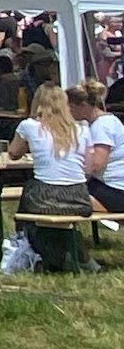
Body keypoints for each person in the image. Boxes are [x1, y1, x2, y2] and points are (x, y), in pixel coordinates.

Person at [11, 82, 93, 270]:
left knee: (27, 204)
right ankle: (74, 258)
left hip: (46, 194)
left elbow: (13, 153)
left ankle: (42, 256)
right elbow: (88, 169)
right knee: (59, 221)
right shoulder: (82, 129)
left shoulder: (29, 126)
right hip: (78, 196)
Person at [71, 80, 124, 213]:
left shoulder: (102, 125)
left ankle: (104, 210)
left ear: (83, 105)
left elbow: (97, 165)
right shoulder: (102, 122)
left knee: (64, 191)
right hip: (113, 187)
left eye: (70, 107)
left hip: (116, 190)